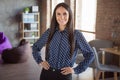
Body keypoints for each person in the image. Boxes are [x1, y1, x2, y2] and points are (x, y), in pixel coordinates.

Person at [32, 2, 94, 80]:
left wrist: (75, 70)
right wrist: (40, 61)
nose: (61, 17)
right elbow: (35, 47)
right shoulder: (49, 32)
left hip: (64, 76)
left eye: (65, 14)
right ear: (55, 16)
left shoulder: (76, 35)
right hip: (47, 73)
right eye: (58, 14)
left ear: (69, 15)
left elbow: (90, 54)